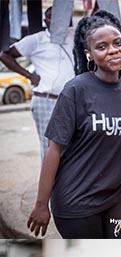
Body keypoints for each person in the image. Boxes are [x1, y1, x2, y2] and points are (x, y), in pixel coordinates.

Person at [27, 11, 121, 240]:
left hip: (117, 197)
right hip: (77, 200)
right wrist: (41, 204)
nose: (112, 50)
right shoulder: (76, 90)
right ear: (89, 54)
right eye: (102, 46)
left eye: (117, 43)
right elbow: (54, 150)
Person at [0, 7, 75, 159]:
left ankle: (66, 182)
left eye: (60, 16)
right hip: (46, 99)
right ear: (45, 20)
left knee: (71, 147)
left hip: (71, 100)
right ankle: (48, 183)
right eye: (51, 17)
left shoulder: (74, 35)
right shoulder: (37, 39)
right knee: (49, 147)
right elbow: (5, 55)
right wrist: (29, 75)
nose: (56, 20)